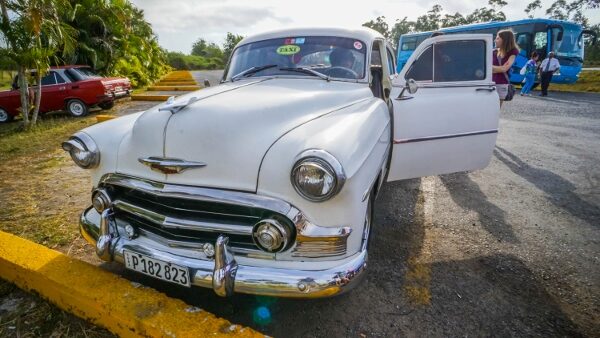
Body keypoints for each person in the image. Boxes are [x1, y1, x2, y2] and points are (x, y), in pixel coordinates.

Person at [492, 29, 519, 107]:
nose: (494, 40)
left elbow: (504, 69)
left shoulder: (513, 52)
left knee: (495, 110)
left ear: (505, 40)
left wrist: (490, 68)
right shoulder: (494, 52)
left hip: (501, 84)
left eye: (497, 38)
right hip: (488, 83)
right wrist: (497, 69)